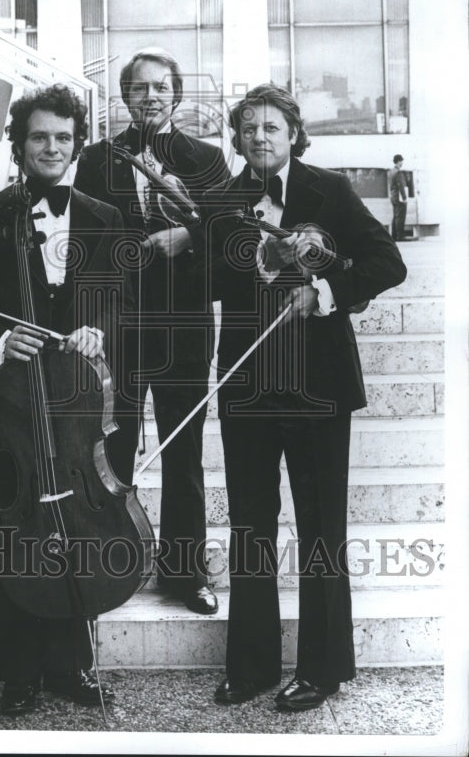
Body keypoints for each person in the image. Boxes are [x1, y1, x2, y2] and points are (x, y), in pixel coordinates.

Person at [202, 84, 406, 711]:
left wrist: (323, 291)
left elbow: (387, 263)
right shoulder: (223, 202)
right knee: (250, 525)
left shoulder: (330, 190)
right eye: (247, 128)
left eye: (271, 126)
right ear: (237, 139)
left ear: (293, 134)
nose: (259, 137)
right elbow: (208, 281)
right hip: (248, 385)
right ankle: (253, 665)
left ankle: (322, 668)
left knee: (321, 527)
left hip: (318, 387)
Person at [0, 84, 127, 715]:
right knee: (19, 527)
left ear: (76, 145)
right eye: (39, 137)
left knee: (79, 524)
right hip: (14, 404)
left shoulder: (105, 218)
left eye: (62, 137)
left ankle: (70, 666)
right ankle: (18, 670)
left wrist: (96, 325)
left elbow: (118, 299)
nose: (51, 148)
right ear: (19, 145)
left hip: (82, 403)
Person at [74, 48, 230, 615]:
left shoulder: (209, 158)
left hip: (184, 324)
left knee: (183, 450)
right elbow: (85, 248)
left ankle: (185, 574)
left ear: (178, 95)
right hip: (118, 324)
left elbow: (231, 239)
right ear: (125, 96)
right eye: (140, 88)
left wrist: (187, 238)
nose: (151, 97)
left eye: (162, 88)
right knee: (112, 445)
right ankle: (115, 561)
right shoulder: (96, 159)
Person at [389, 153, 408, 241]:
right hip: (398, 198)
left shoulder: (391, 171)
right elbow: (401, 186)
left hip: (393, 197)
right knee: (400, 217)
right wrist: (404, 198)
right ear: (398, 161)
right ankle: (400, 236)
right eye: (401, 161)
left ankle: (394, 236)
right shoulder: (398, 172)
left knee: (396, 216)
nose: (402, 163)